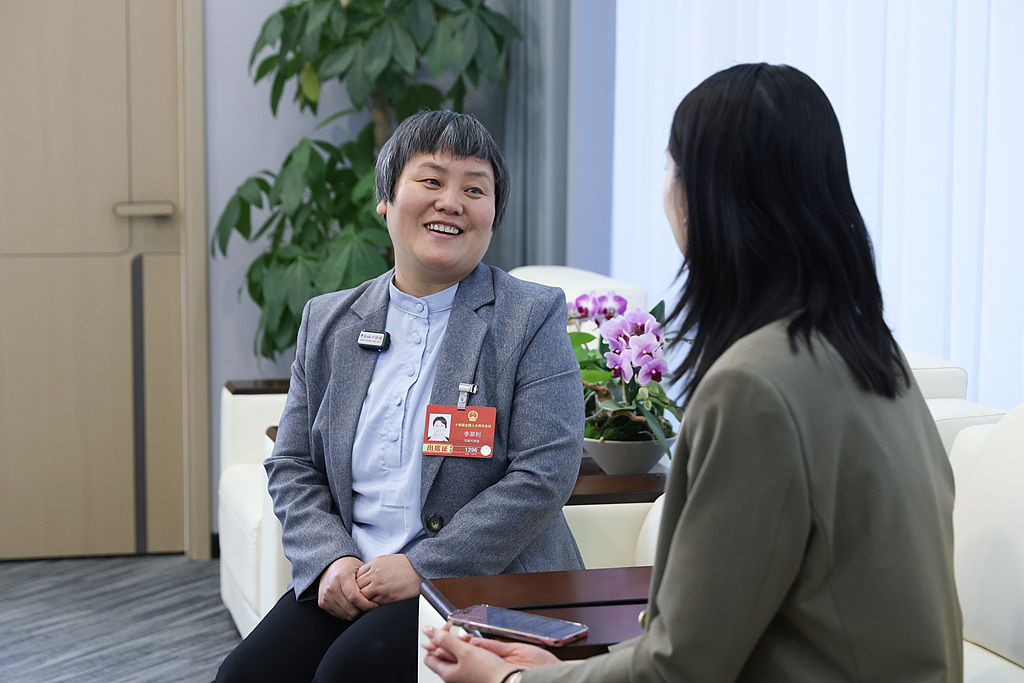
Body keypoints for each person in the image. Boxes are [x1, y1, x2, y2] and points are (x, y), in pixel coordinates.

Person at [424, 64, 963, 682]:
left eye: (672, 166)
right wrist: (558, 671)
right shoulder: (872, 353)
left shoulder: (755, 387)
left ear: (709, 195)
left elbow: (681, 670)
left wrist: (510, 681)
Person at [215, 110, 585, 682]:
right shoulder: (329, 320)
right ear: (385, 199)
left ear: (493, 214)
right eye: (431, 181)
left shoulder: (529, 317)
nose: (451, 202)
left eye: (474, 189)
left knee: (349, 672)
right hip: (352, 575)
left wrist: (422, 567)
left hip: (479, 581)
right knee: (245, 677)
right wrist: (329, 559)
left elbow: (545, 474)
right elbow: (291, 464)